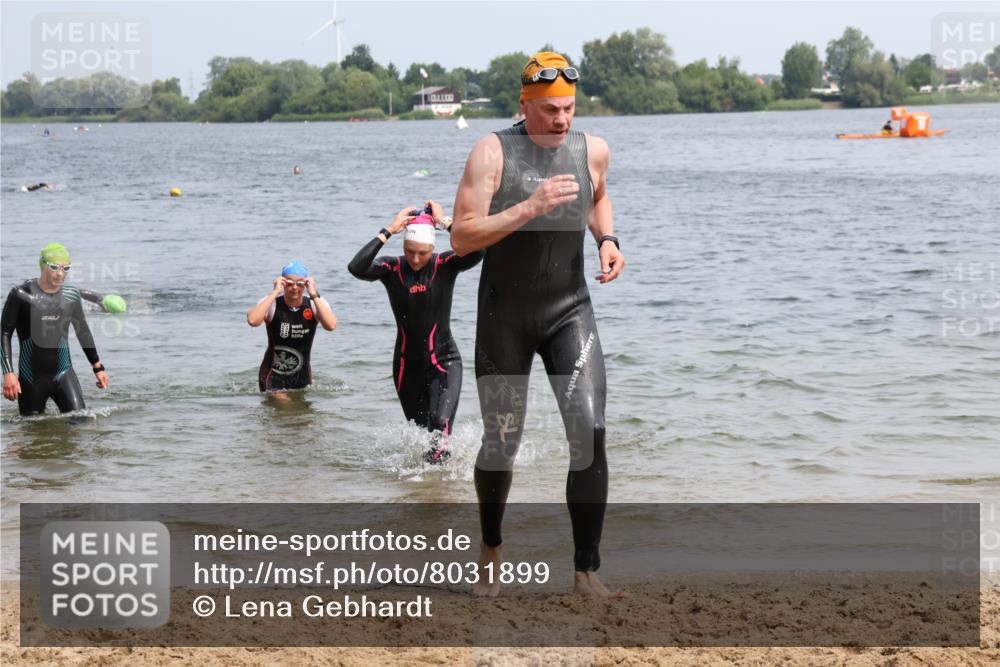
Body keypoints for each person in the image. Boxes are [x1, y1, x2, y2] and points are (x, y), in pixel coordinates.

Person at [450, 52, 626, 597]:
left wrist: (608, 239)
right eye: (550, 110)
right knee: (502, 442)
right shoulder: (491, 153)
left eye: (569, 108)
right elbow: (461, 236)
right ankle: (492, 547)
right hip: (505, 316)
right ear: (524, 105)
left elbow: (597, 195)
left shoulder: (592, 150)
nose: (562, 120)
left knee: (591, 433)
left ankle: (585, 571)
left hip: (568, 309)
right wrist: (527, 208)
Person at [348, 200, 483, 463]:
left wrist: (445, 222)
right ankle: (426, 495)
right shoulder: (392, 269)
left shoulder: (445, 265)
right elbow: (357, 268)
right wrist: (388, 230)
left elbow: (479, 250)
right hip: (405, 368)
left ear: (433, 247)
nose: (416, 259)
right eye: (410, 252)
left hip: (445, 362)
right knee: (423, 437)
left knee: (440, 433)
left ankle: (438, 499)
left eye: (422, 253)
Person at [1, 243, 110, 415]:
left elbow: (83, 332)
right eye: (54, 267)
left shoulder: (71, 295)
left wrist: (97, 366)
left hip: (64, 372)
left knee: (81, 421)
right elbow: (4, 334)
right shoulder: (20, 294)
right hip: (31, 378)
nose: (61, 274)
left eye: (66, 268)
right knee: (32, 431)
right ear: (42, 265)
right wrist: (8, 373)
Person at [247, 260, 336, 396]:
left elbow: (331, 325)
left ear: (306, 284)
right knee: (286, 408)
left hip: (302, 377)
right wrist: (275, 292)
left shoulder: (314, 304)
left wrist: (313, 294)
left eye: (300, 283)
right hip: (272, 376)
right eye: (289, 283)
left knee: (304, 416)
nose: (294, 287)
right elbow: (253, 320)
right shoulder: (272, 304)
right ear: (283, 283)